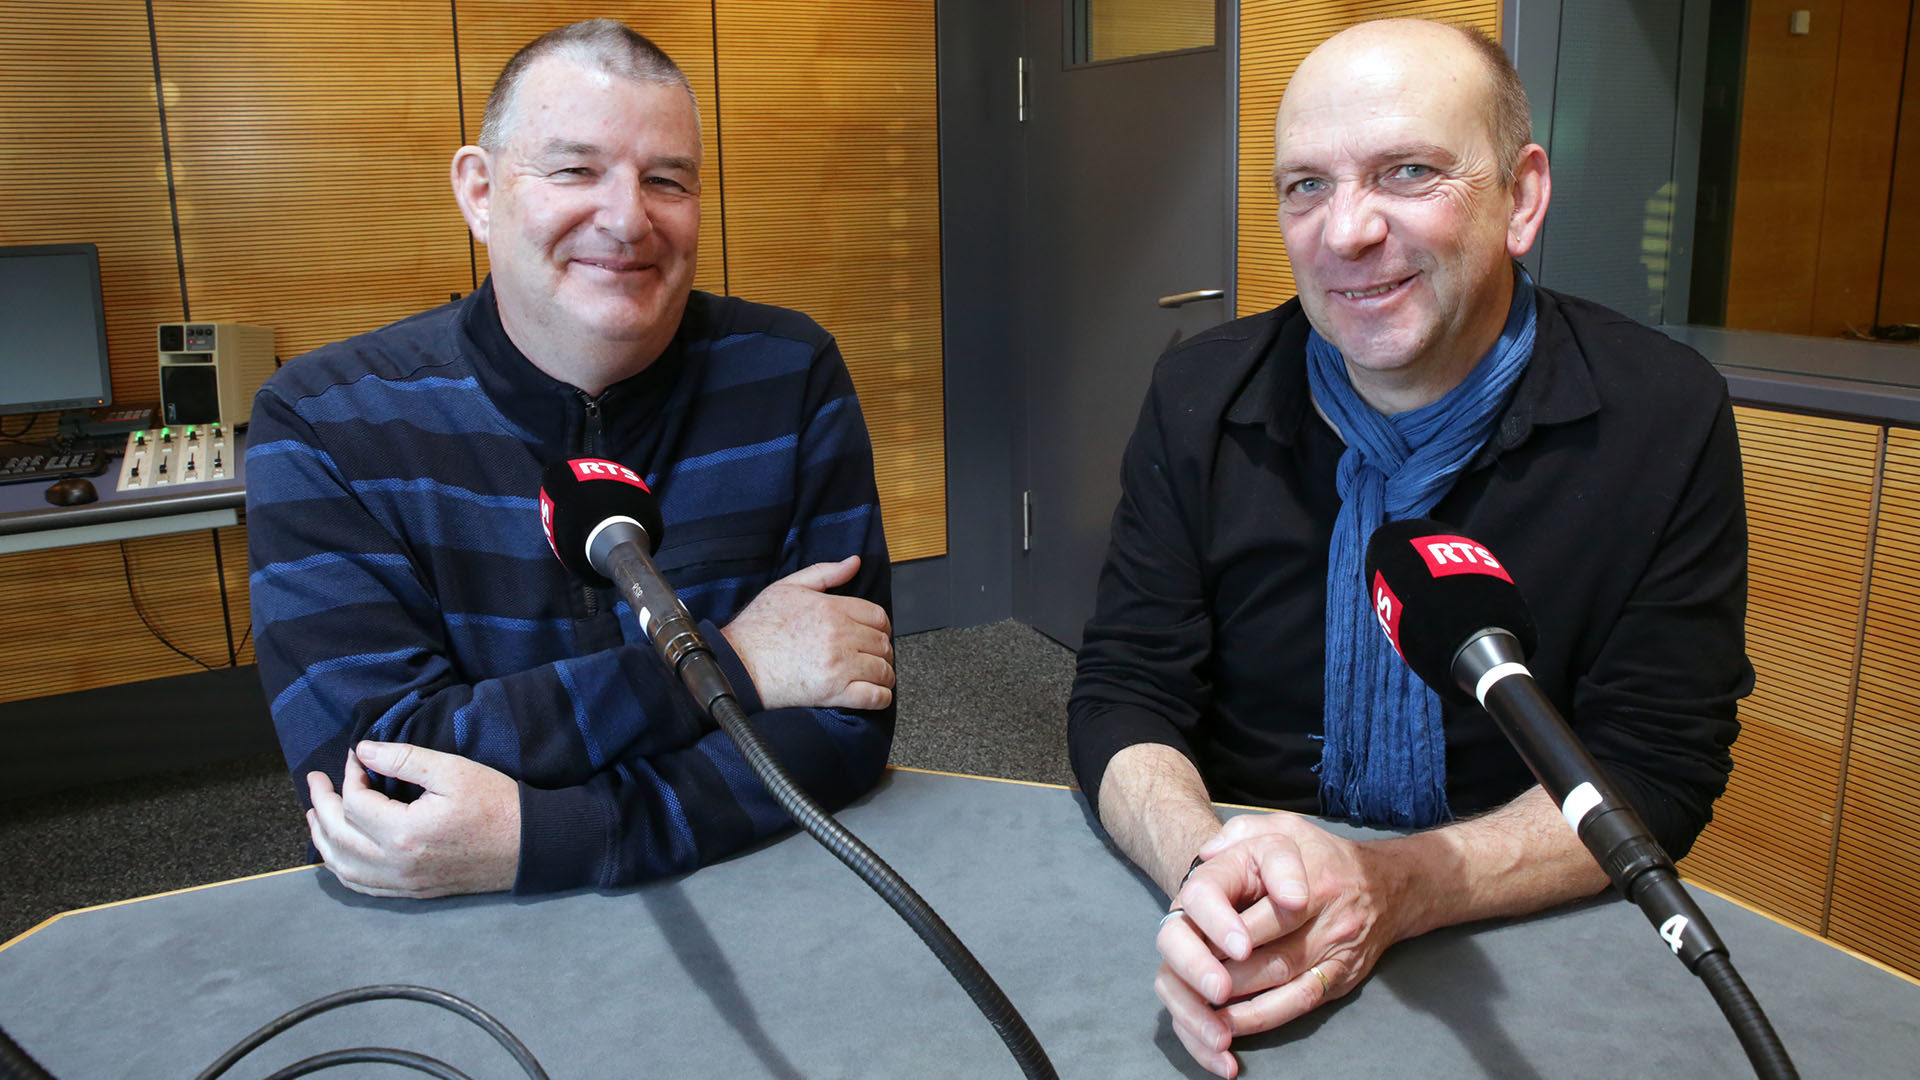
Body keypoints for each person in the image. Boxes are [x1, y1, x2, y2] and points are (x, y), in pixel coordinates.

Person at [1065, 19, 1751, 1077]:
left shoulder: (1664, 415)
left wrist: (1392, 887)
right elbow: (1123, 690)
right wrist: (1208, 871)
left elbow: (1655, 764)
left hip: (1513, 928)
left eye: (1407, 172)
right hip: (1241, 916)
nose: (1346, 231)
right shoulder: (1198, 396)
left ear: (1522, 198)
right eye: (1305, 186)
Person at [246, 20, 895, 900]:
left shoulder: (789, 373)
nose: (628, 219)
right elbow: (382, 779)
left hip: (756, 892)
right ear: (480, 192)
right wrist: (735, 665)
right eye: (575, 170)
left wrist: (553, 835)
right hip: (457, 935)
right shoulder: (325, 423)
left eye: (667, 179)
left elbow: (845, 719)